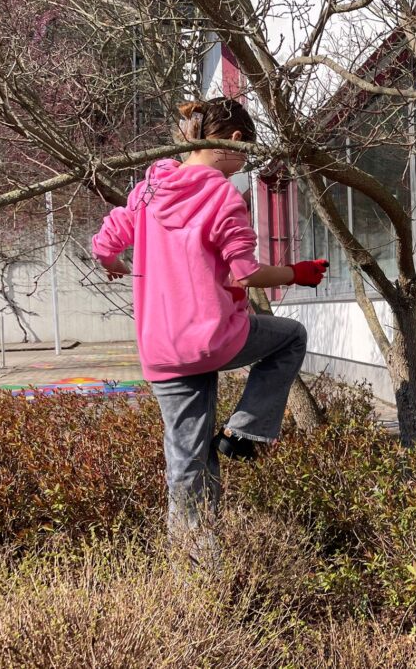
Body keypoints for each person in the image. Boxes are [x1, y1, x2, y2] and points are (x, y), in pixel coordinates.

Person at [91, 97, 329, 553]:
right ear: (233, 141)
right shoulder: (219, 193)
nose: (243, 165)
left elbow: (105, 241)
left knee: (188, 458)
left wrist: (114, 263)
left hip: (161, 350)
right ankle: (246, 431)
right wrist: (297, 273)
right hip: (214, 337)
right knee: (291, 337)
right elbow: (246, 273)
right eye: (245, 155)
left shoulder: (146, 192)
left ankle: (196, 565)